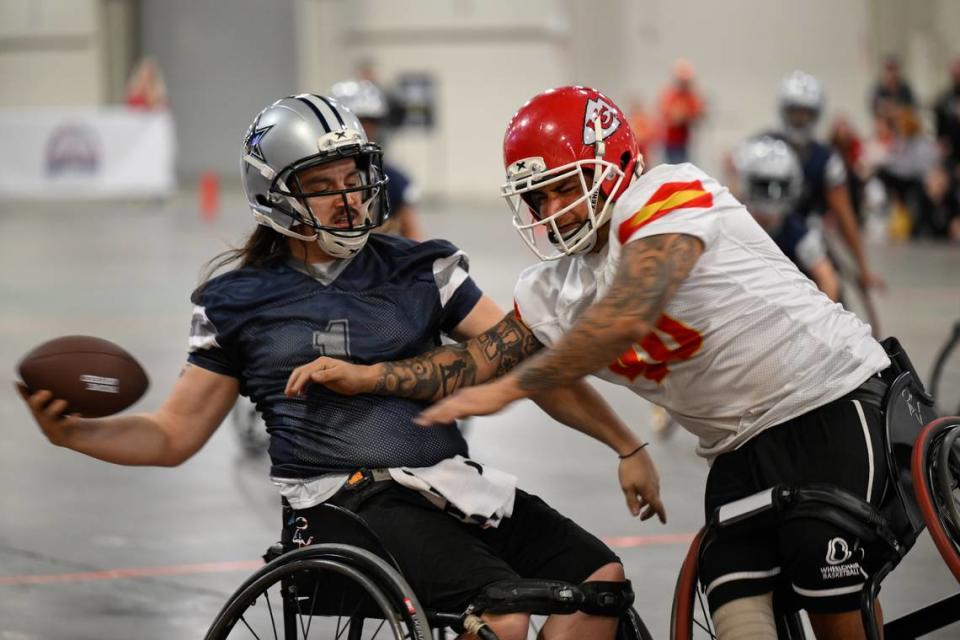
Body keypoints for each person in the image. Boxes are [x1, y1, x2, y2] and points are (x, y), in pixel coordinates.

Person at [18, 93, 651, 640]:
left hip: (449, 484)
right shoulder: (237, 300)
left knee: (600, 583)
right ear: (276, 195)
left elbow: (529, 361)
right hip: (341, 502)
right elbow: (173, 435)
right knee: (503, 614)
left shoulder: (420, 267)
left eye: (352, 179)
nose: (347, 201)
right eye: (322, 189)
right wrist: (74, 433)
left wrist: (625, 443)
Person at [300, 86, 895, 640]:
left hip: (830, 398)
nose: (553, 208)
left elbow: (628, 314)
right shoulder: (554, 287)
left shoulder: (668, 195)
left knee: (828, 586)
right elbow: (476, 359)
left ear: (613, 164)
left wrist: (512, 389)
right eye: (539, 196)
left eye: (566, 186)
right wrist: (369, 377)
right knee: (735, 597)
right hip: (737, 448)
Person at [772, 71, 884, 329]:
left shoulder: (826, 160)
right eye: (794, 111)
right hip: (763, 239)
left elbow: (844, 215)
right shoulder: (764, 146)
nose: (799, 119)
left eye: (805, 112)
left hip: (806, 242)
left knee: (834, 308)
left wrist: (863, 268)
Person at [733, 135, 840, 300]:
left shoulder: (797, 230)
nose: (772, 194)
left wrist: (814, 322)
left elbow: (828, 279)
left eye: (780, 186)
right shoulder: (733, 222)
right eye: (764, 184)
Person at [332, 79, 424, 240]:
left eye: (371, 123)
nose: (365, 130)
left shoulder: (393, 178)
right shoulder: (315, 174)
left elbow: (413, 233)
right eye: (358, 122)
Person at [658, 59, 704, 164]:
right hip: (671, 142)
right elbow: (673, 118)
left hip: (685, 142)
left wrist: (683, 115)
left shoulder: (690, 97)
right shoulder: (671, 96)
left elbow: (698, 114)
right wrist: (684, 115)